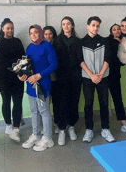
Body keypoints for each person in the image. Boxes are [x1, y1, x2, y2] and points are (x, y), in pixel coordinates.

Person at [19, 25, 58, 151]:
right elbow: (26, 65)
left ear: (40, 33)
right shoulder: (30, 47)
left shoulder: (47, 46)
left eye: (36, 32)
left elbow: (54, 64)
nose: (33, 35)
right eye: (31, 33)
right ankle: (36, 134)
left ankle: (47, 138)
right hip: (31, 85)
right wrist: (23, 75)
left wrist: (39, 75)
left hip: (42, 85)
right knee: (34, 111)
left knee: (44, 111)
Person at [81, 16, 115, 143]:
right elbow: (80, 61)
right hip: (87, 78)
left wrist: (100, 74)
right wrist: (91, 75)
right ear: (88, 26)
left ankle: (105, 129)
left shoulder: (105, 40)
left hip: (103, 77)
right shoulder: (81, 42)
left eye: (97, 25)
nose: (95, 28)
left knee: (104, 103)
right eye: (93, 25)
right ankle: (89, 129)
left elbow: (108, 58)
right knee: (88, 104)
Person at [53, 16, 84, 146]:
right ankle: (61, 129)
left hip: (75, 77)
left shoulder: (78, 41)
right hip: (60, 78)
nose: (66, 26)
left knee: (73, 102)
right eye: (63, 24)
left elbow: (81, 59)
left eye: (68, 23)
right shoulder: (56, 41)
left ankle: (71, 127)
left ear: (72, 26)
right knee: (61, 103)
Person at [0, 18, 25, 143]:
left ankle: (16, 128)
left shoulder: (18, 41)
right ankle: (8, 126)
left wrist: (20, 72)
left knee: (18, 103)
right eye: (8, 28)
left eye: (12, 28)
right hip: (4, 78)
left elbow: (23, 58)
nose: (10, 30)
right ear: (2, 29)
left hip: (18, 77)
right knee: (6, 102)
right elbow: (0, 63)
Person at [107, 24, 126, 136]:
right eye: (114, 29)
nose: (117, 31)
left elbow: (124, 59)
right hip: (103, 75)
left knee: (118, 100)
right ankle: (106, 128)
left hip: (115, 75)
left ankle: (124, 124)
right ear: (111, 31)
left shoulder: (124, 41)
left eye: (118, 29)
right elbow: (109, 58)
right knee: (103, 101)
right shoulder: (107, 41)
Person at [43, 25, 59, 133]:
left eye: (50, 34)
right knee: (45, 104)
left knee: (57, 102)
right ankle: (47, 125)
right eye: (45, 34)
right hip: (44, 79)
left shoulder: (57, 45)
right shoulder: (41, 46)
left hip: (56, 79)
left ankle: (57, 123)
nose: (48, 36)